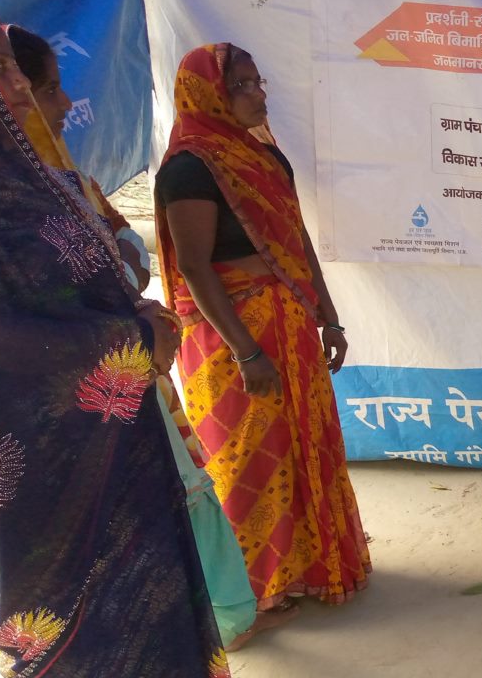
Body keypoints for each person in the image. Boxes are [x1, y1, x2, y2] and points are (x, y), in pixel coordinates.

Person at [0, 6, 268, 678]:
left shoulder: (24, 180)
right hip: (37, 468)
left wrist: (133, 318)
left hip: (115, 433)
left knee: (149, 603)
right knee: (82, 627)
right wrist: (130, 340)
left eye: (14, 66)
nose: (18, 84)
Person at [7, 24, 260, 650]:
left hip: (137, 370)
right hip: (82, 404)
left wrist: (127, 292)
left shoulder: (73, 183)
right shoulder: (4, 211)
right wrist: (121, 293)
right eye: (46, 89)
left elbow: (126, 250)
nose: (65, 103)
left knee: (183, 496)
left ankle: (219, 621)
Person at [155, 43, 371, 612]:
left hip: (292, 326)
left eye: (258, 82)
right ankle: (260, 589)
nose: (258, 95)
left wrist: (329, 317)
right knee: (249, 454)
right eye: (242, 86)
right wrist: (247, 352)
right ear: (208, 95)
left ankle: (314, 567)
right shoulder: (189, 169)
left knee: (307, 444)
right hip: (232, 341)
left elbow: (297, 243)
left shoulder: (266, 158)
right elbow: (195, 266)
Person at [7, 25, 151, 290]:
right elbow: (92, 290)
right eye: (50, 90)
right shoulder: (5, 197)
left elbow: (125, 234)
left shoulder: (71, 176)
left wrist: (125, 268)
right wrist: (126, 268)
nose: (67, 103)